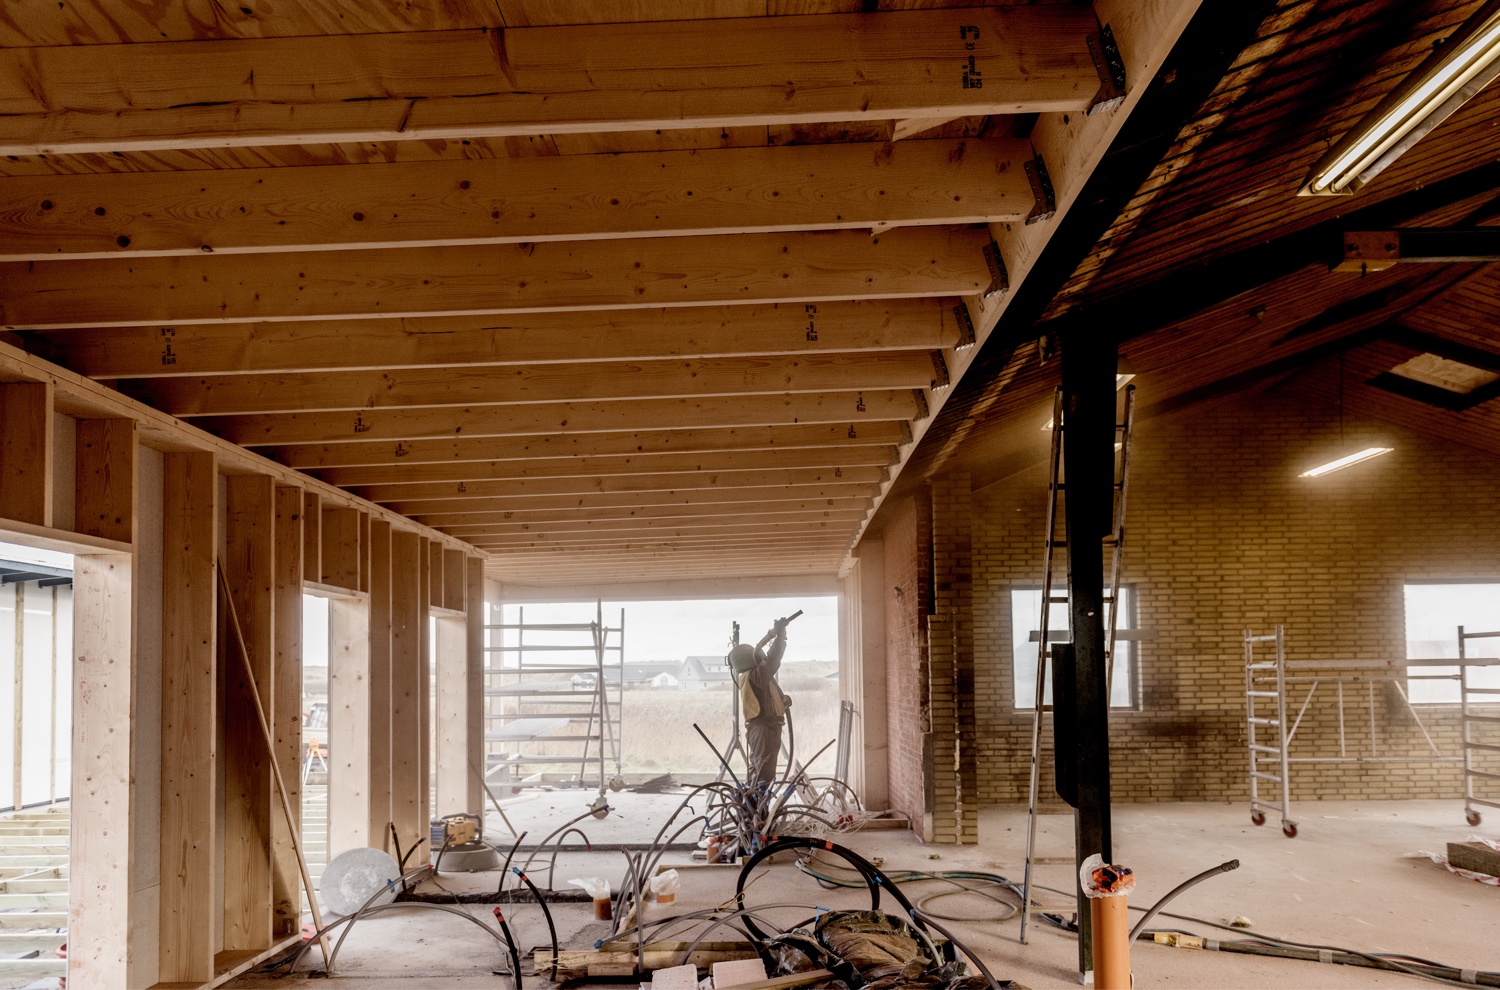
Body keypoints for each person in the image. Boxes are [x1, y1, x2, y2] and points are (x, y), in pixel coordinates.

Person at [727, 617, 791, 799]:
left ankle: (753, 817)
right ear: (751, 658)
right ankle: (757, 820)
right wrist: (780, 638)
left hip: (761, 729)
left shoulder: (753, 677)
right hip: (764, 730)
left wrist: (781, 700)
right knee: (763, 778)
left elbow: (765, 698)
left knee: (759, 775)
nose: (762, 655)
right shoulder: (755, 675)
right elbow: (773, 661)